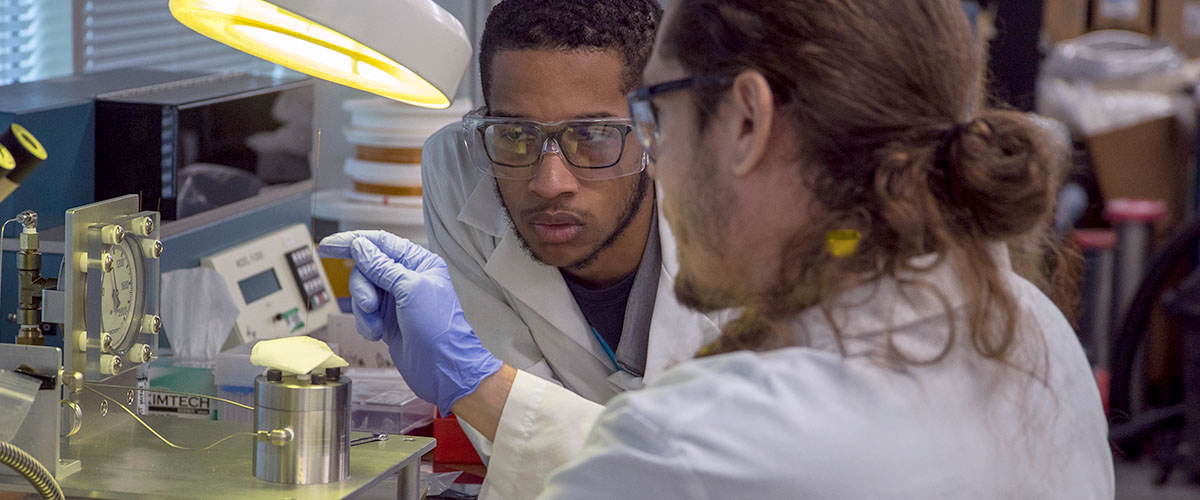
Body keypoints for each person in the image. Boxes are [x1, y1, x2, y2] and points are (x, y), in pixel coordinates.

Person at [328, 0, 1118, 497]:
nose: (656, 157)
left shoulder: (695, 446)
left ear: (745, 121)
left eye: (653, 118)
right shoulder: (1037, 330)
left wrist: (480, 384)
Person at [318, 1, 722, 498]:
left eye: (592, 135)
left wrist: (474, 383)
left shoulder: (743, 217)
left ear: (655, 131)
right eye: (515, 134)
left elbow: (725, 482)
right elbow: (510, 447)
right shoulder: (465, 169)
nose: (550, 183)